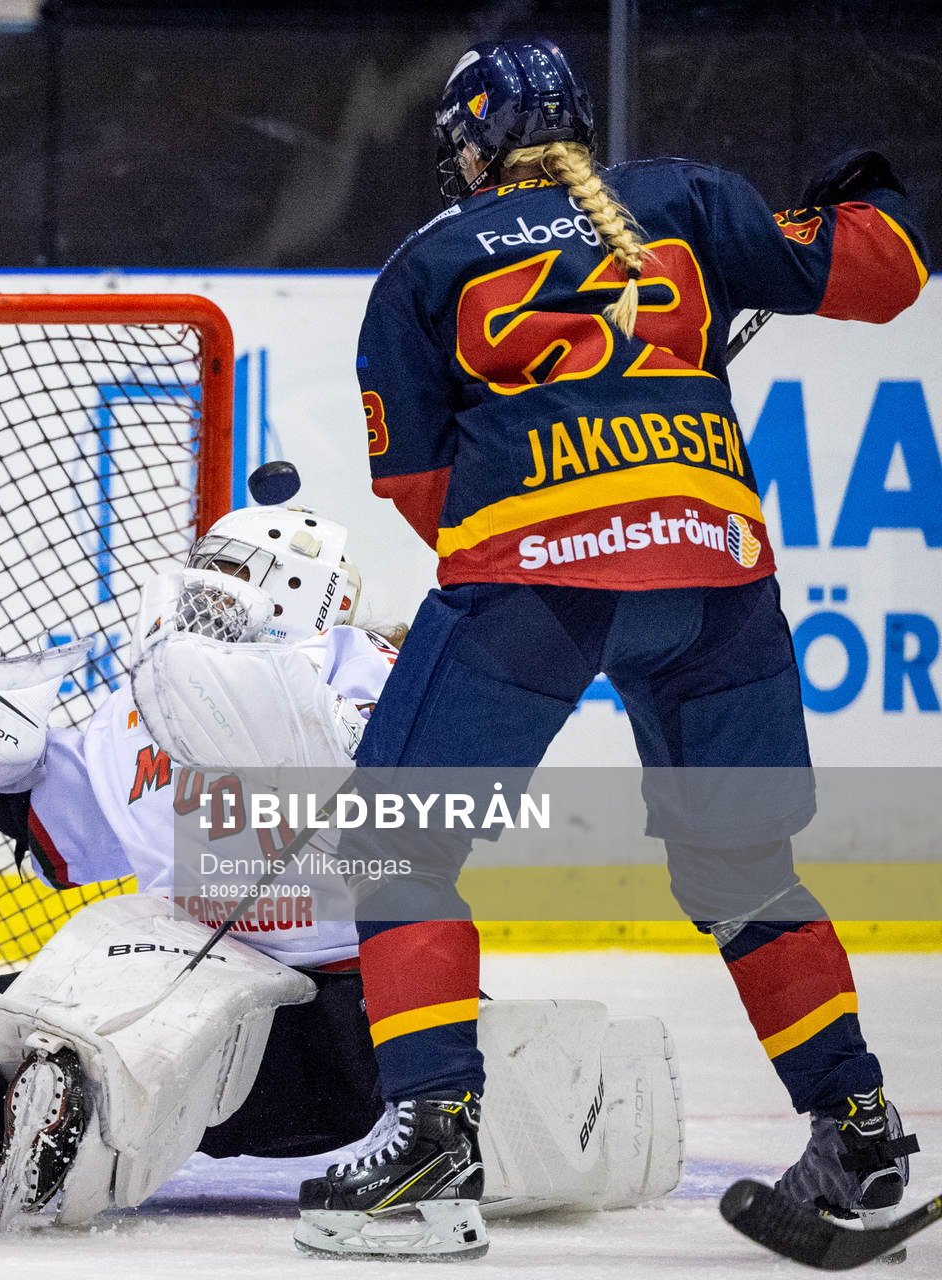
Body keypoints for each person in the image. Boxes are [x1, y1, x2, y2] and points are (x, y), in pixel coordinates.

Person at [292, 37, 929, 1260]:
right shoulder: (685, 199)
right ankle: (860, 1131)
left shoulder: (424, 265)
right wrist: (866, 183)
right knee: (747, 875)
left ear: (470, 148)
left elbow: (429, 494)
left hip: (537, 584)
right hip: (719, 581)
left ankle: (430, 1154)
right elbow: (885, 269)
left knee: (395, 847)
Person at [0, 467, 681, 1235]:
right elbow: (62, 841)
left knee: (126, 941)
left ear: (305, 600)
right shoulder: (132, 710)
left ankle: (82, 1090)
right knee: (119, 928)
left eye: (226, 589)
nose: (199, 604)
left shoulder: (381, 679)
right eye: (201, 584)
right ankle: (75, 1097)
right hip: (224, 1051)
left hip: (370, 1039)